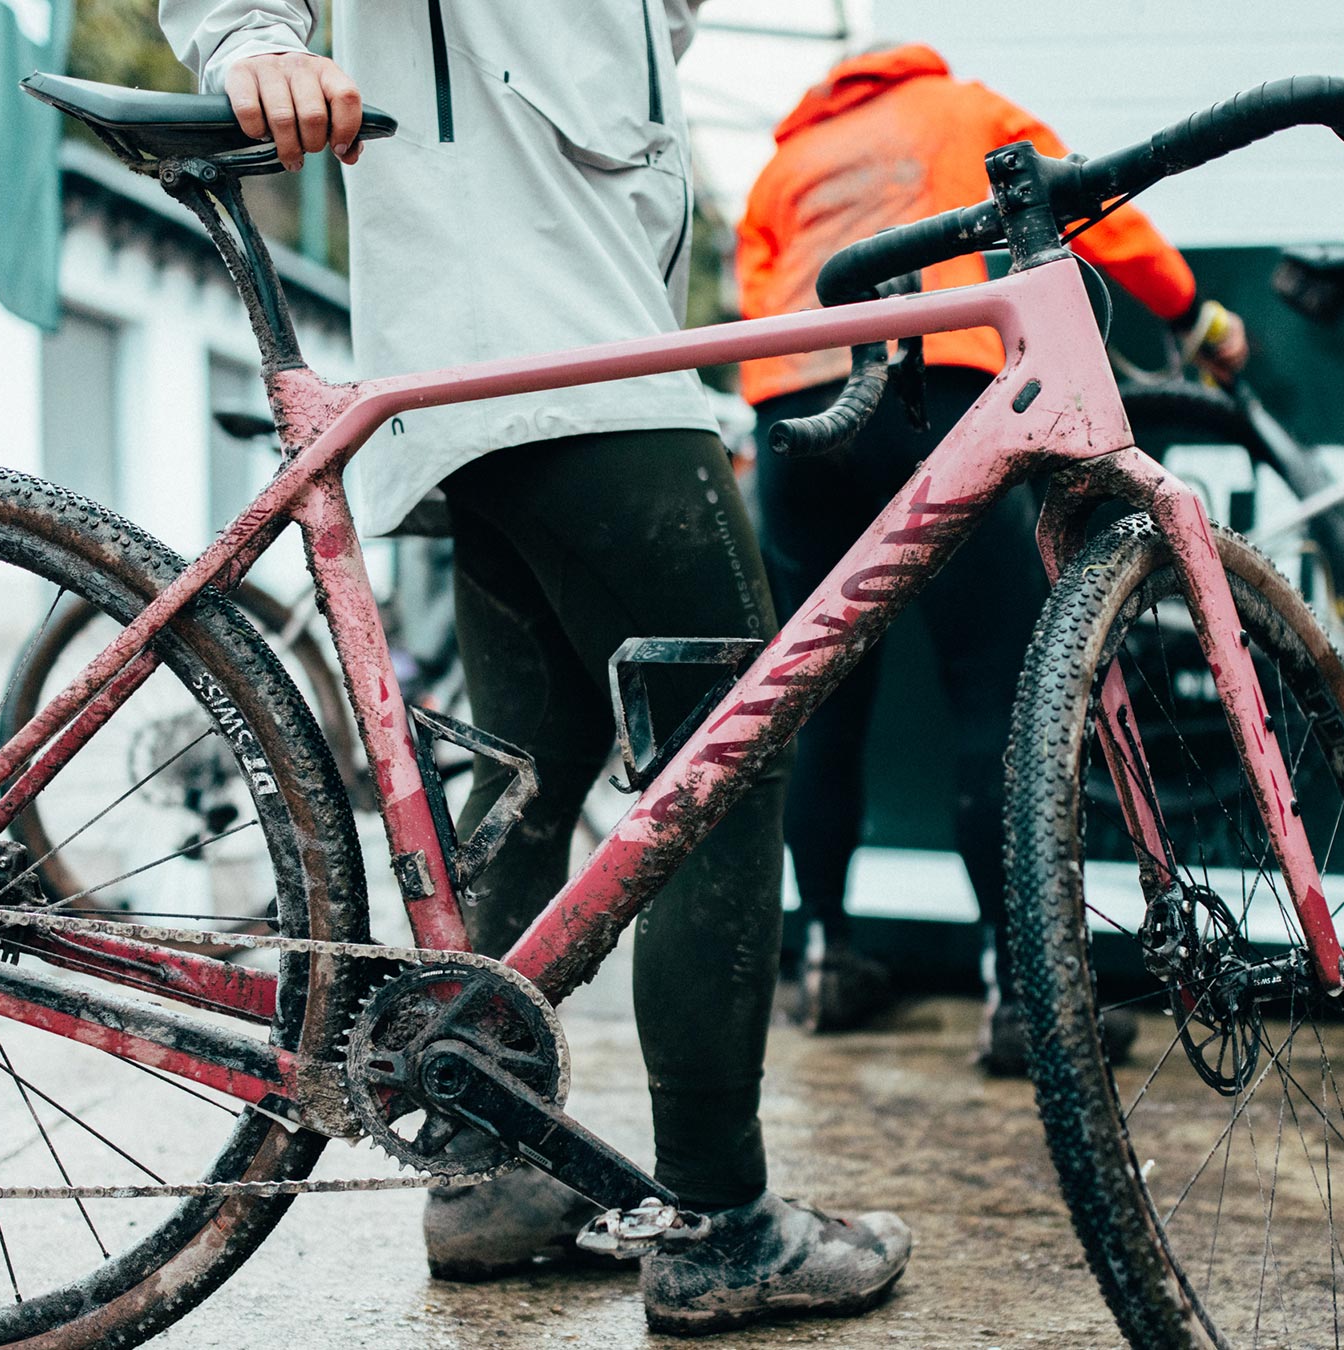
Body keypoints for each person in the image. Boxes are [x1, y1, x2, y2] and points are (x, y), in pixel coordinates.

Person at [157, 0, 909, 1335]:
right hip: (545, 344)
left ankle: (489, 1176)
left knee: (538, 769)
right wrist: (244, 34)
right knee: (730, 749)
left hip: (524, 346)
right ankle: (720, 1220)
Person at [736, 42, 1249, 1074]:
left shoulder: (784, 166)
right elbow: (1087, 207)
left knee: (821, 693)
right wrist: (1198, 315)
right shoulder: (962, 109)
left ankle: (826, 956)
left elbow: (759, 295)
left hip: (795, 417)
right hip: (930, 388)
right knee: (996, 684)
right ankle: (1022, 995)